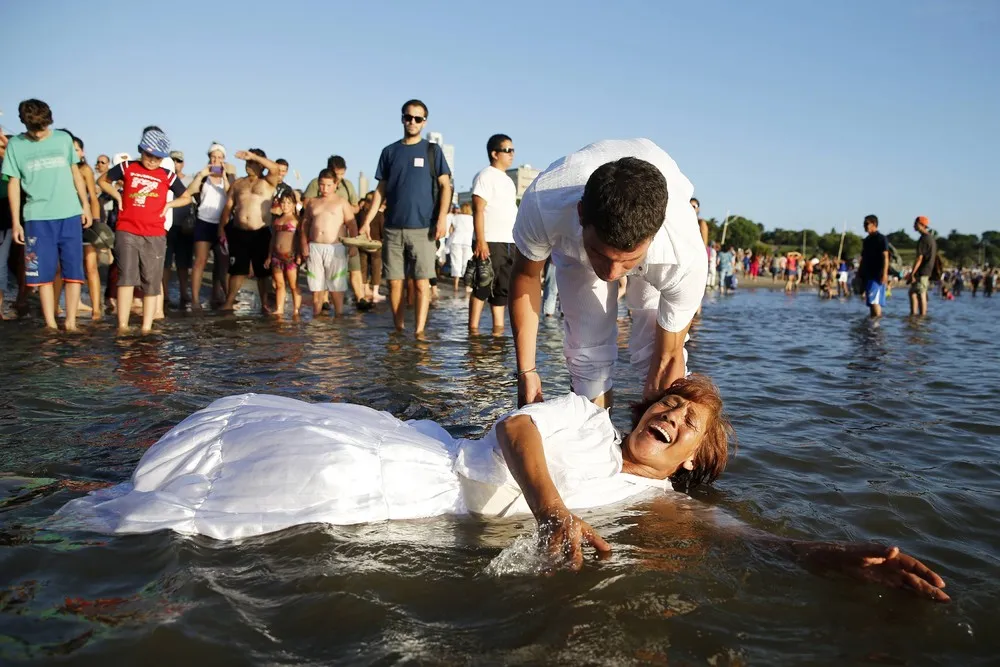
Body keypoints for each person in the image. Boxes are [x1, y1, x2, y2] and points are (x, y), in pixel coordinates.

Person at [55, 374, 949, 602]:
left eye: (693, 421)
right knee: (190, 509)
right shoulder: (589, 418)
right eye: (673, 398)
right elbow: (513, 428)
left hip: (428, 516)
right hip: (412, 472)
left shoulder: (662, 502)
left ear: (694, 462)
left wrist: (834, 555)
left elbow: (753, 543)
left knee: (208, 526)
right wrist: (555, 509)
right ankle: (60, 507)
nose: (674, 410)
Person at [509, 139, 707, 410]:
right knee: (588, 358)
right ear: (580, 214)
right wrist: (527, 371)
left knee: (651, 353)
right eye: (601, 254)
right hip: (572, 243)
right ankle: (595, 437)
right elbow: (527, 276)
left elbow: (668, 357)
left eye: (626, 262)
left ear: (654, 235)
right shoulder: (544, 200)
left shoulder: (683, 253)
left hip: (663, 256)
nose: (612, 274)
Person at [358, 99, 453, 335]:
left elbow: (446, 186)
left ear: (424, 122)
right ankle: (398, 328)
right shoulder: (389, 152)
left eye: (418, 119)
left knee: (422, 282)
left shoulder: (432, 151)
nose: (412, 122)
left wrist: (442, 218)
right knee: (394, 282)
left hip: (423, 227)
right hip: (393, 227)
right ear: (402, 118)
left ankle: (419, 332)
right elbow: (381, 189)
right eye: (408, 117)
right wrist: (367, 220)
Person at [2, 99, 93, 331]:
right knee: (41, 272)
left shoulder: (63, 139)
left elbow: (75, 172)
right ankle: (51, 324)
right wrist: (16, 222)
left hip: (70, 214)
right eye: (34, 129)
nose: (39, 134)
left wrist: (85, 204)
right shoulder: (16, 145)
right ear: (24, 123)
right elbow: (13, 182)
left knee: (73, 270)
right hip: (36, 217)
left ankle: (71, 322)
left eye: (42, 128)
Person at [97, 128, 193, 333]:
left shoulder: (166, 174)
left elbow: (186, 197)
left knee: (151, 279)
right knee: (127, 277)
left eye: (158, 158)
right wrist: (118, 196)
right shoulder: (127, 167)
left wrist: (169, 205)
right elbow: (103, 181)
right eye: (149, 155)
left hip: (155, 232)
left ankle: (146, 327)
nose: (152, 161)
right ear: (141, 150)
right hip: (127, 228)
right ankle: (122, 325)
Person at [219, 149, 284, 313]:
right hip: (239, 231)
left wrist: (255, 157)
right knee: (237, 270)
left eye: (252, 163)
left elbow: (275, 168)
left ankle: (264, 303)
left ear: (261, 165)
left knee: (262, 272)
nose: (248, 165)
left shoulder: (268, 182)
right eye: (247, 162)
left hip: (260, 232)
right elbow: (228, 208)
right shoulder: (238, 184)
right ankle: (229, 301)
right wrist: (221, 229)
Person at [469, 134, 518, 333]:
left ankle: (498, 330)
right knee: (482, 285)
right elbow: (478, 208)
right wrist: (481, 241)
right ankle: (473, 330)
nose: (512, 154)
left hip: (508, 241)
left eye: (513, 150)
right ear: (494, 153)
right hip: (490, 240)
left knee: (502, 289)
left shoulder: (507, 180)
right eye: (507, 150)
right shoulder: (485, 176)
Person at [299, 169, 357, 316]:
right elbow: (305, 225)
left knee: (336, 286)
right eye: (322, 185)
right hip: (315, 247)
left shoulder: (342, 202)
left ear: (335, 184)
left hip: (336, 247)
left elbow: (352, 224)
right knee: (316, 286)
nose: (325, 188)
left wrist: (353, 245)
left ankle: (339, 316)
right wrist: (304, 244)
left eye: (328, 185)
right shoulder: (312, 202)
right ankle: (316, 316)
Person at [162, 150, 195, 308]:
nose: (176, 163)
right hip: (166, 225)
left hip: (184, 226)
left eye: (179, 161)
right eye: (173, 160)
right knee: (165, 262)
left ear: (183, 163)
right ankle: (165, 293)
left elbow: (194, 195)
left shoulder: (189, 180)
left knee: (183, 263)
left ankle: (184, 292)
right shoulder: (162, 177)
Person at [266, 189, 302, 318]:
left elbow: (299, 239)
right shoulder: (277, 221)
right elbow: (273, 240)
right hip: (276, 257)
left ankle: (296, 309)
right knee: (279, 284)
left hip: (290, 257)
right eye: (283, 203)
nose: (285, 205)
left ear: (293, 205)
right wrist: (269, 257)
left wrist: (299, 255)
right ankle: (279, 308)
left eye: (288, 203)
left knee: (293, 284)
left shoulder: (297, 221)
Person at [858, 214, 889, 317]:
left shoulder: (881, 239)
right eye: (864, 224)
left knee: (875, 302)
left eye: (867, 224)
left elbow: (885, 257)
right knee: (871, 302)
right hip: (868, 275)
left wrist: (884, 274)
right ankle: (872, 326)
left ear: (874, 224)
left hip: (877, 275)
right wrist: (860, 274)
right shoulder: (866, 241)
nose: (864, 226)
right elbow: (863, 258)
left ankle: (876, 327)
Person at [907, 216, 936, 316]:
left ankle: (922, 316)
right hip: (926, 270)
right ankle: (914, 315)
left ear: (922, 225)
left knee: (921, 293)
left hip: (922, 271)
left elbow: (919, 258)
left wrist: (912, 273)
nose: (914, 225)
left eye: (916, 223)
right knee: (913, 292)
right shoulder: (930, 238)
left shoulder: (924, 239)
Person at [449, 202, 474, 291]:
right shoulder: (472, 219)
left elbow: (451, 230)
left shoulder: (455, 217)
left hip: (456, 240)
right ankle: (467, 286)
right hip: (468, 242)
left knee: (456, 263)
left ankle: (455, 286)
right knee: (466, 263)